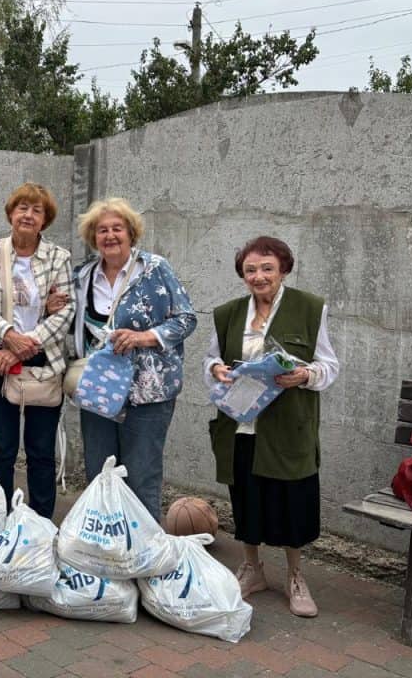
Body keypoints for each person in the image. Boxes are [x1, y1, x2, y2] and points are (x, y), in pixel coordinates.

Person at [204, 236, 339, 618]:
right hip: (241, 426)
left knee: (290, 503)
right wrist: (216, 369)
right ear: (242, 275)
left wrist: (305, 375)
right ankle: (253, 568)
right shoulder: (229, 313)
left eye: (267, 268)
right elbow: (212, 359)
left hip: (286, 429)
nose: (258, 276)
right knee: (246, 500)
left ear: (283, 269)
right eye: (250, 270)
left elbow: (330, 365)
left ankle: (296, 576)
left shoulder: (310, 308)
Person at [70, 197, 196, 523]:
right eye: (102, 230)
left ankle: (144, 555)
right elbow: (71, 326)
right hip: (99, 391)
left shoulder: (155, 269)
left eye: (117, 229)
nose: (110, 236)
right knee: (100, 475)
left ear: (131, 233)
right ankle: (103, 551)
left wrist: (143, 337)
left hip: (148, 392)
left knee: (141, 477)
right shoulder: (81, 276)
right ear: (92, 237)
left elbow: (186, 319)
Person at [0, 184, 75, 519]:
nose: (28, 215)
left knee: (41, 451)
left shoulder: (59, 258)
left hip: (41, 361)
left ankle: (40, 524)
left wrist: (22, 347)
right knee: (2, 448)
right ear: (11, 213)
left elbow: (66, 312)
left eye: (37, 210)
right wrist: (8, 334)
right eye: (22, 207)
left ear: (46, 220)